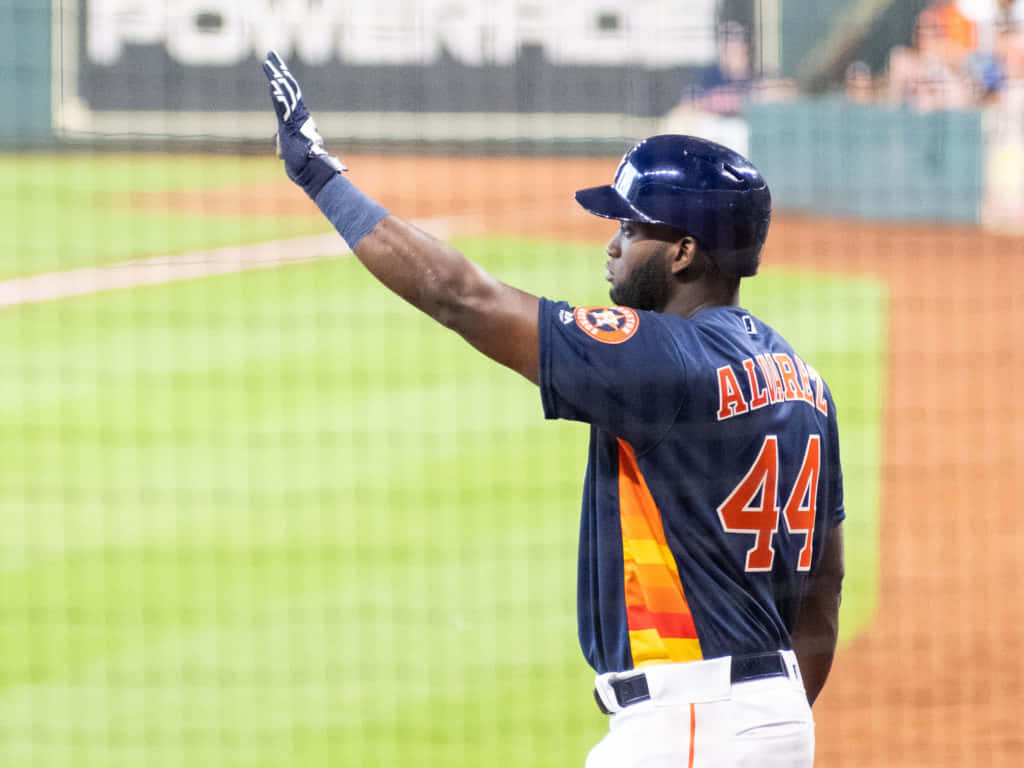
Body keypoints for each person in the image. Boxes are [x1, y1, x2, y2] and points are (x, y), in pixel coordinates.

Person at [261, 51, 845, 768]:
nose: (612, 246)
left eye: (632, 230)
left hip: (689, 725)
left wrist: (320, 175)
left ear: (685, 252)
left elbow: (462, 297)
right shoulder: (803, 381)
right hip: (769, 721)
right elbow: (826, 579)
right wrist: (771, 719)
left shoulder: (663, 359)